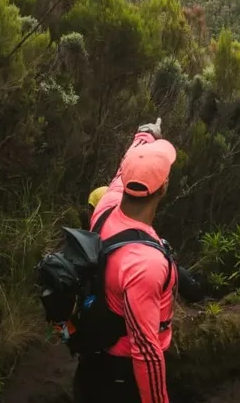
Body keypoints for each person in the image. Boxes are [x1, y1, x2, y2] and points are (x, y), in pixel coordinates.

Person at [73, 121, 178, 403]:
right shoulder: (145, 264)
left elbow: (124, 168)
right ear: (163, 187)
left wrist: (146, 135)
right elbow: (145, 350)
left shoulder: (107, 204)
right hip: (121, 375)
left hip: (93, 358)